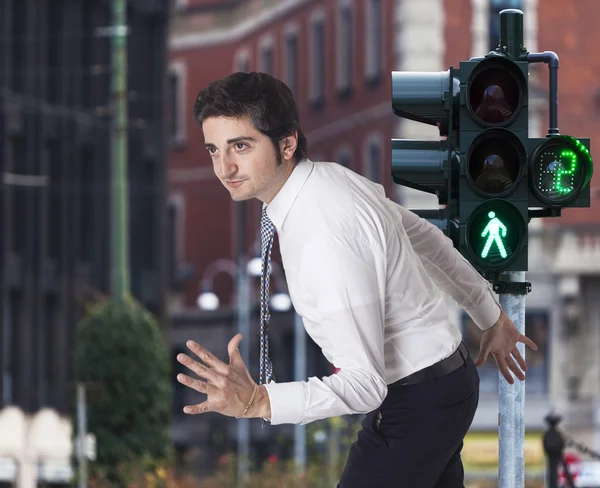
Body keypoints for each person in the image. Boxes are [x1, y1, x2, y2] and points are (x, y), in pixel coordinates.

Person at [176, 71, 538, 487]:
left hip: (415, 403)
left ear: (287, 143)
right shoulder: (332, 179)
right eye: (214, 149)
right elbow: (423, 237)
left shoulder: (322, 236)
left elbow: (365, 387)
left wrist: (259, 401)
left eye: (241, 146)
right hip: (446, 384)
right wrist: (489, 315)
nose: (225, 167)